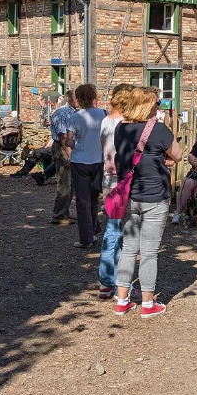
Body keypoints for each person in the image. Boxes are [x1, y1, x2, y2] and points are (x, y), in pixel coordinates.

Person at [113, 86, 182, 317]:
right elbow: (179, 155)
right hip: (155, 195)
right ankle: (147, 303)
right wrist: (162, 158)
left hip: (129, 194)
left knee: (128, 249)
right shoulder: (159, 129)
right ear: (147, 105)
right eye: (155, 103)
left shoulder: (121, 129)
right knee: (150, 252)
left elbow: (125, 155)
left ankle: (122, 300)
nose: (158, 107)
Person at [97, 83, 135, 299]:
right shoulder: (124, 123)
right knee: (120, 233)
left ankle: (108, 281)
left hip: (107, 180)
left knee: (113, 230)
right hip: (121, 181)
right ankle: (117, 281)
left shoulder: (105, 120)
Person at [65, 84, 107, 248]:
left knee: (82, 201)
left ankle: (86, 239)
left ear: (79, 99)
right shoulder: (104, 114)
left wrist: (75, 143)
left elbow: (69, 141)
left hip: (80, 161)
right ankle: (94, 229)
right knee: (94, 198)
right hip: (99, 160)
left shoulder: (76, 117)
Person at [50, 89, 77, 224]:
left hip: (68, 148)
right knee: (64, 184)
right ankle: (59, 215)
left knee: (70, 184)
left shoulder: (73, 112)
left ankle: (64, 212)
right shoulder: (62, 113)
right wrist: (70, 155)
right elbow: (63, 137)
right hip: (62, 148)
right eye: (77, 98)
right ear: (70, 99)